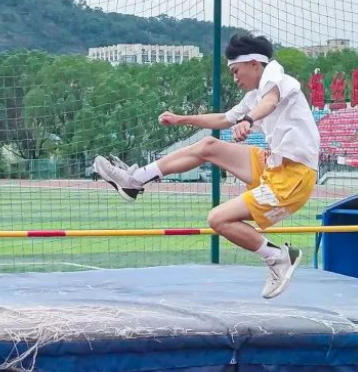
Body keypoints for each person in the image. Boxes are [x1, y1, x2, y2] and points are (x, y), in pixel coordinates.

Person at [91, 34, 319, 299]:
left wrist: (248, 120)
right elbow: (223, 119)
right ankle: (135, 181)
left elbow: (269, 102)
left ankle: (278, 257)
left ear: (254, 63)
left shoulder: (277, 77)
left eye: (236, 71)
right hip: (273, 165)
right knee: (208, 145)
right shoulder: (253, 96)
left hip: (293, 178)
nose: (234, 78)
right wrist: (182, 119)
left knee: (218, 219)